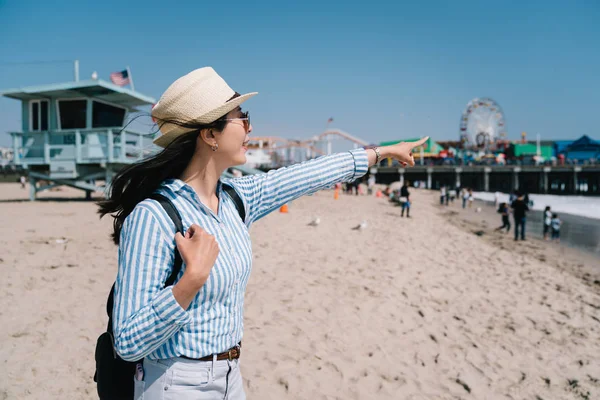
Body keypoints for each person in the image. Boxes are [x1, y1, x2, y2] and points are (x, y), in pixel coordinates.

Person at [97, 66, 428, 400]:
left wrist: (381, 152)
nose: (250, 126)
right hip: (177, 383)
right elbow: (127, 341)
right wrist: (189, 283)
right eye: (241, 117)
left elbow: (308, 175)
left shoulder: (236, 199)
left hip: (230, 377)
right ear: (209, 135)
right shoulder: (154, 216)